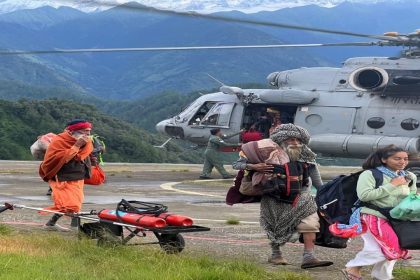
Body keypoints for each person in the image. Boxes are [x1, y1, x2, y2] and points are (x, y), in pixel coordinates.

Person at [232, 124, 333, 269]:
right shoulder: (262, 151)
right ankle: (276, 254)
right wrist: (255, 167)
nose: (296, 143)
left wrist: (324, 191)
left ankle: (309, 257)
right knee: (275, 226)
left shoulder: (306, 155)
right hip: (273, 195)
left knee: (310, 223)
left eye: (298, 140)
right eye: (291, 139)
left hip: (302, 194)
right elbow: (237, 164)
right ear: (282, 139)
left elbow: (315, 176)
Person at [343, 145, 417, 280]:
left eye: (405, 159)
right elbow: (364, 195)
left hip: (395, 218)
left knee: (395, 247)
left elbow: (410, 198)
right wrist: (392, 185)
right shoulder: (370, 174)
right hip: (372, 215)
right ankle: (353, 268)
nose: (403, 162)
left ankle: (382, 277)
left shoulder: (409, 176)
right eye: (397, 159)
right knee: (381, 248)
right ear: (384, 159)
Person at [39, 119, 94, 231]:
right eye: (85, 131)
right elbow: (61, 159)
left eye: (89, 131)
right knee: (69, 204)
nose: (88, 134)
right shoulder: (59, 141)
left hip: (77, 176)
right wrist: (76, 145)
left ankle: (56, 224)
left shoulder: (86, 141)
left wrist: (91, 159)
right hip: (62, 177)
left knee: (76, 203)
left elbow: (82, 156)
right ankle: (62, 225)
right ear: (73, 131)